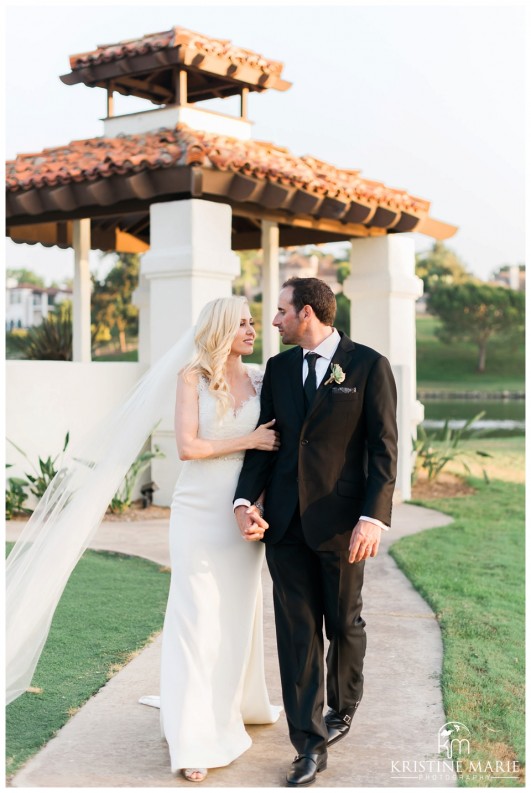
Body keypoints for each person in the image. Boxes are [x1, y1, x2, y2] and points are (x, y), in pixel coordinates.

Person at [234, 277, 398, 787]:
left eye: (281, 312)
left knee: (344, 625)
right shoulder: (279, 370)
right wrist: (243, 501)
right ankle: (308, 744)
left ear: (307, 313)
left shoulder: (369, 365)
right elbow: (267, 441)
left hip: (344, 525)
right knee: (297, 635)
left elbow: (383, 449)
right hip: (284, 525)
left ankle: (343, 708)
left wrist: (372, 518)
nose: (275, 321)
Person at [158, 296, 281, 782]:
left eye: (254, 322)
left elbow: (273, 454)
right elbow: (189, 447)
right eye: (243, 324)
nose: (253, 330)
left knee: (235, 614)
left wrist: (258, 507)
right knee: (195, 617)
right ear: (220, 329)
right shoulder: (191, 378)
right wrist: (247, 440)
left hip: (242, 513)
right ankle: (193, 738)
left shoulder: (260, 379)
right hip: (196, 510)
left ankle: (234, 706)